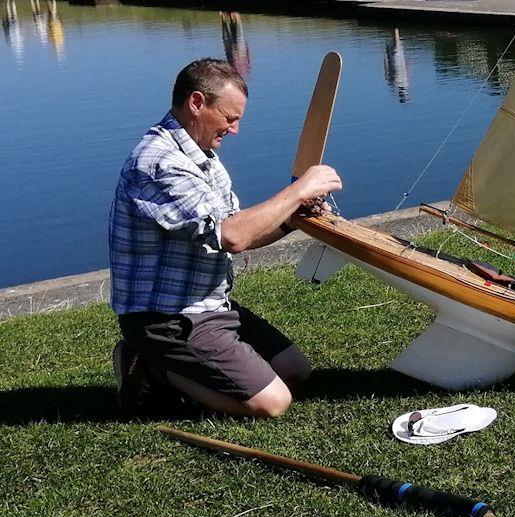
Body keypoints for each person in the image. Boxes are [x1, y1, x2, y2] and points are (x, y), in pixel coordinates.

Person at [108, 58, 342, 418]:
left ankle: (177, 368)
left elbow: (240, 233)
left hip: (210, 305)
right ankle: (150, 365)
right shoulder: (158, 163)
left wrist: (293, 220)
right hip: (166, 319)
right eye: (230, 118)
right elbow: (231, 236)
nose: (234, 129)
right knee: (273, 403)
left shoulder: (202, 155)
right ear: (197, 103)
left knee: (295, 369)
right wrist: (296, 192)